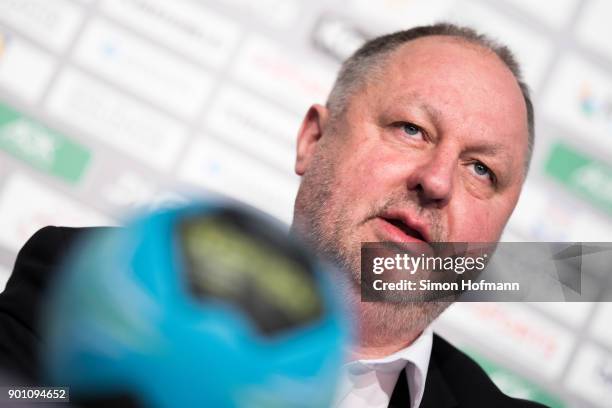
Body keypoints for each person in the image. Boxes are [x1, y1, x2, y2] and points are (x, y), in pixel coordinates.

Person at [0, 23, 544, 407]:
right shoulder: (94, 289)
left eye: (481, 170)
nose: (437, 181)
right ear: (314, 139)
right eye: (411, 130)